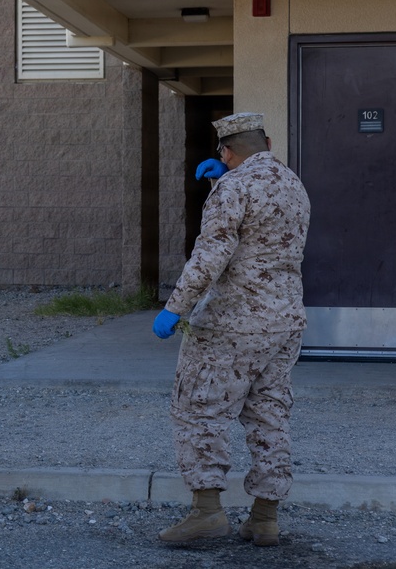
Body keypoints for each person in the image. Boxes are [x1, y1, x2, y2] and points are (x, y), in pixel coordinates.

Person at [152, 112, 310, 546]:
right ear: (268, 141)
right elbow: (262, 234)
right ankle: (264, 518)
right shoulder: (293, 184)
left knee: (199, 409)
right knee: (270, 414)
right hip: (285, 321)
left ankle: (207, 513)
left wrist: (175, 308)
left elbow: (210, 256)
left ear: (226, 151)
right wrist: (222, 180)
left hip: (232, 323)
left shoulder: (234, 188)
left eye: (222, 154)